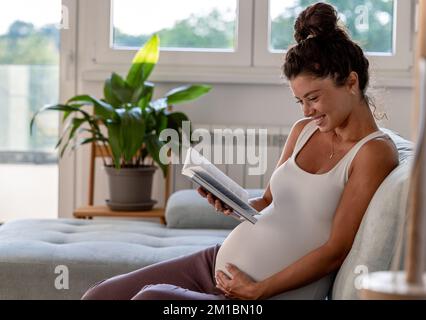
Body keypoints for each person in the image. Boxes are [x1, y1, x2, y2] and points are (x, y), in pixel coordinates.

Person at [81, 2, 399, 300]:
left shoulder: (372, 153)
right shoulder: (304, 132)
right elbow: (267, 203)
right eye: (299, 101)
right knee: (99, 296)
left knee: (151, 299)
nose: (306, 112)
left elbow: (335, 249)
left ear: (351, 82)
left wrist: (258, 289)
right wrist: (231, 202)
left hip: (261, 294)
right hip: (217, 265)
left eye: (313, 98)